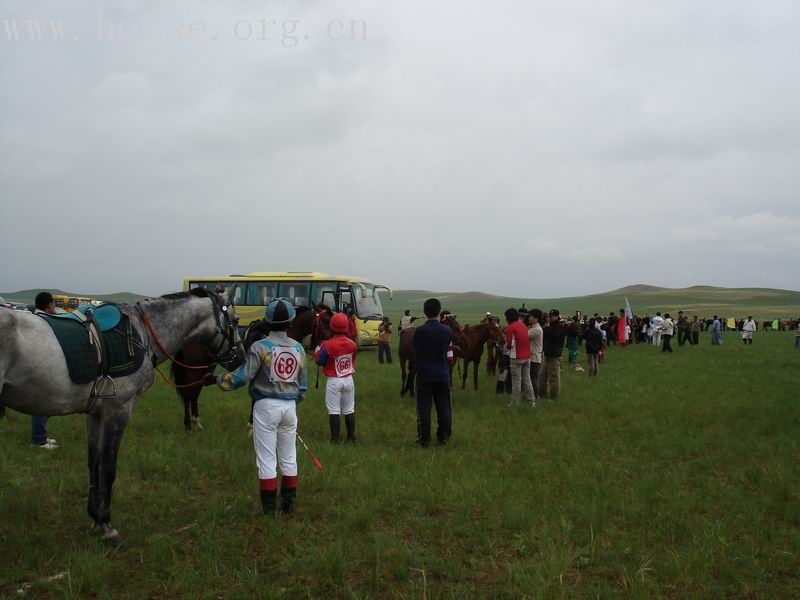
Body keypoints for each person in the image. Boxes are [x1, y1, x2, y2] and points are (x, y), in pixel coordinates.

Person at [203, 298, 307, 516]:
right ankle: (288, 506)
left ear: (267, 321)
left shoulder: (260, 347)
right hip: (290, 407)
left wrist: (216, 380)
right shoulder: (298, 348)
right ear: (290, 322)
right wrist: (291, 401)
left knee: (267, 459)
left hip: (265, 407)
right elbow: (302, 385)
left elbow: (243, 377)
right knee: (289, 456)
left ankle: (268, 510)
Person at [413, 298, 453, 447]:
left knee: (423, 408)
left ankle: (424, 439)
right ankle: (443, 436)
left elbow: (416, 348)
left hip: (424, 374)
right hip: (442, 374)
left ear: (425, 312)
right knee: (444, 407)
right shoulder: (447, 330)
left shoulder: (420, 331)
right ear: (439, 311)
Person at [315, 312, 358, 443]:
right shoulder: (352, 344)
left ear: (332, 326)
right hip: (349, 379)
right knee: (349, 409)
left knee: (334, 410)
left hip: (334, 380)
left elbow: (320, 361)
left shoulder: (327, 345)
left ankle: (335, 439)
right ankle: (351, 437)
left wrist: (318, 351)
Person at [31, 292, 60, 450]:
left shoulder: (34, 318)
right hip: (41, 365)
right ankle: (39, 439)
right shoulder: (45, 321)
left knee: (44, 403)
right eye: (53, 304)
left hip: (37, 364)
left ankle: (40, 435)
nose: (53, 307)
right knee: (41, 403)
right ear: (49, 305)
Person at [504, 308, 534, 407]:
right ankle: (531, 402)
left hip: (516, 357)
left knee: (516, 381)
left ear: (508, 317)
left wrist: (505, 347)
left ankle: (515, 403)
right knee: (527, 380)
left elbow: (509, 344)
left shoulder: (510, 328)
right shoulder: (524, 326)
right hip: (527, 356)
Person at [540, 309, 567, 400]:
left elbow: (553, 336)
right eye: (549, 316)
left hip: (554, 355)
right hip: (547, 354)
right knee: (542, 376)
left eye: (551, 316)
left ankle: (554, 396)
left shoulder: (560, 327)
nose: (550, 318)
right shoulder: (550, 327)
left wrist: (547, 327)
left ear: (556, 316)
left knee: (554, 377)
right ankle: (542, 394)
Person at [527, 309, 543, 401]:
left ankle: (536, 397)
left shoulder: (536, 330)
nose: (529, 318)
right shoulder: (533, 328)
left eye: (530, 316)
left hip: (534, 358)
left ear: (536, 318)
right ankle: (531, 396)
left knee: (533, 379)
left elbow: (523, 335)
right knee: (531, 378)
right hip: (532, 357)